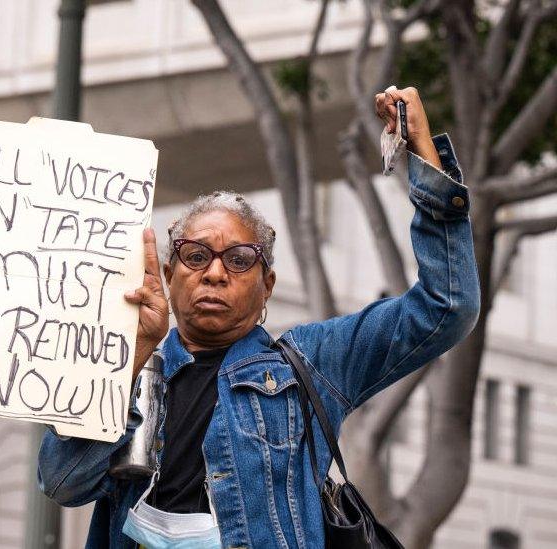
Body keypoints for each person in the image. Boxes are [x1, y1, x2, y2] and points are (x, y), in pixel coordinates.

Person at [37, 85, 481, 548]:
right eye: (195, 256)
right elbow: (61, 482)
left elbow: (447, 306)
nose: (214, 273)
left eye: (239, 260)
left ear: (266, 284)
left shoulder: (311, 362)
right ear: (169, 274)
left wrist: (425, 160)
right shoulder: (125, 368)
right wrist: (131, 360)